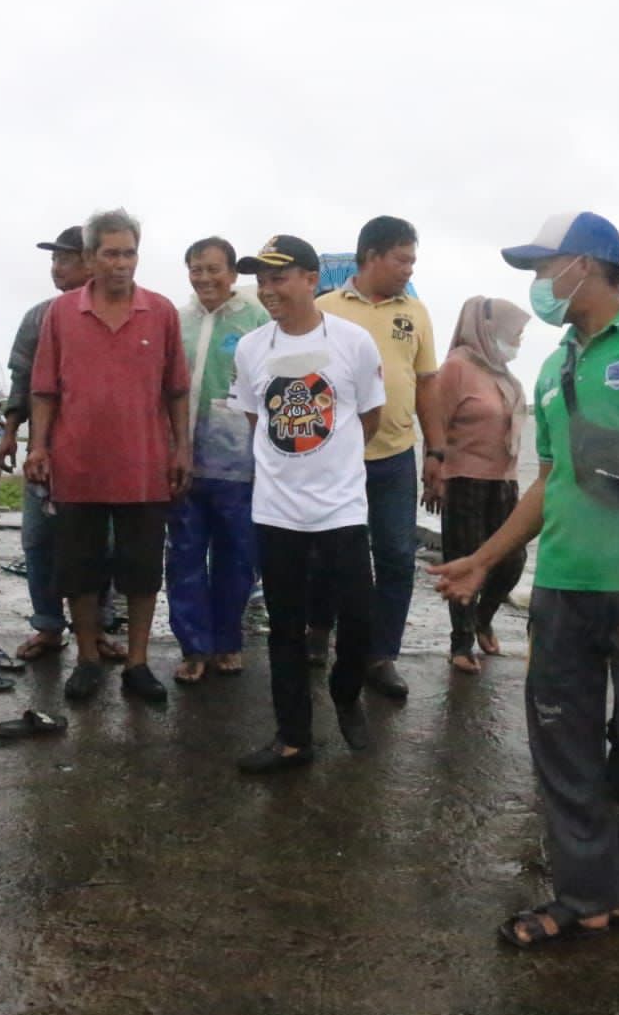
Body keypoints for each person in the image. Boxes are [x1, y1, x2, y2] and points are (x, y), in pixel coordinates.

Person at [431, 211, 619, 948]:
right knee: (564, 747)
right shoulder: (553, 368)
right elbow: (548, 484)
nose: (538, 282)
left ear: (587, 264)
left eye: (544, 265)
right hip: (562, 588)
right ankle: (587, 896)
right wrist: (483, 559)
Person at [227, 236, 386, 773]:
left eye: (280, 277)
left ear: (311, 279)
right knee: (285, 629)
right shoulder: (251, 348)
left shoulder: (355, 342)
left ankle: (345, 694)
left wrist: (333, 464)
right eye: (262, 280)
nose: (268, 290)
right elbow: (258, 423)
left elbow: (369, 418)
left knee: (358, 619)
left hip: (341, 508)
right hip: (276, 511)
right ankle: (294, 737)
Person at [26, 208, 191, 704]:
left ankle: (138, 664)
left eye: (129, 253)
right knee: (78, 569)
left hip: (145, 466)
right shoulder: (60, 314)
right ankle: (87, 659)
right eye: (111, 253)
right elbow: (43, 390)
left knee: (142, 570)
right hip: (76, 464)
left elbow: (177, 390)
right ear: (91, 258)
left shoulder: (160, 312)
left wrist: (182, 447)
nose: (122, 263)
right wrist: (38, 446)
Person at [310, 215, 442, 700]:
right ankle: (319, 635)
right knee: (328, 556)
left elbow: (427, 383)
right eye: (402, 258)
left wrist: (437, 451)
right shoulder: (324, 308)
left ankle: (380, 654)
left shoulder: (418, 312)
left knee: (396, 555)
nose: (409, 268)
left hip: (395, 456)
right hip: (334, 457)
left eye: (412, 259)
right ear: (370, 256)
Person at [2, 227, 125, 664]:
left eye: (66, 259)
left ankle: (100, 629)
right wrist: (8, 435)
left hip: (98, 453)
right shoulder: (39, 316)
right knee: (39, 539)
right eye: (53, 260)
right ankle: (48, 626)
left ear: (91, 262)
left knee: (101, 543)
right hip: (46, 450)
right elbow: (21, 380)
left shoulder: (116, 313)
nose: (57, 268)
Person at [168, 236, 268, 684]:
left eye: (213, 269)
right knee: (184, 555)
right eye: (196, 268)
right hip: (182, 458)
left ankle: (227, 642)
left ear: (232, 273)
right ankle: (193, 647)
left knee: (236, 556)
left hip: (239, 465)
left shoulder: (257, 320)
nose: (204, 277)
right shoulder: (177, 319)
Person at [435, 297, 532, 673]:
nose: (519, 340)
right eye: (515, 333)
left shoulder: (504, 374)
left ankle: (483, 617)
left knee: (512, 559)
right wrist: (435, 475)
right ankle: (460, 643)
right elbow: (437, 424)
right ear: (490, 330)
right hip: (464, 478)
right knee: (463, 560)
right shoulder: (456, 368)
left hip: (503, 480)